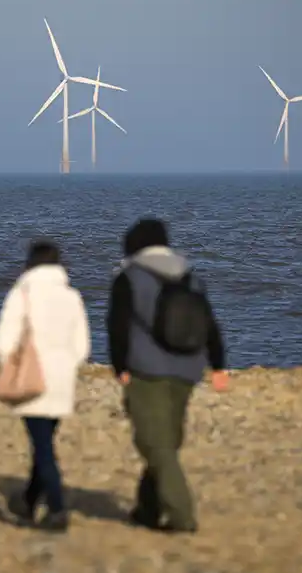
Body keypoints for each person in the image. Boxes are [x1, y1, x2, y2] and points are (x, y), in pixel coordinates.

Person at [106, 218, 228, 534]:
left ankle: (181, 515)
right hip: (188, 369)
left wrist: (120, 367)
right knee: (167, 441)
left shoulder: (128, 277)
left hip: (147, 370)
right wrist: (218, 365)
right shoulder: (190, 276)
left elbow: (117, 326)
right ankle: (148, 510)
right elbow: (209, 323)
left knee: (154, 443)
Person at [0, 240, 91, 533]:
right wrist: (67, 365)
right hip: (62, 379)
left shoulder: (23, 293)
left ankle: (57, 507)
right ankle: (28, 500)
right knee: (44, 441)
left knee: (43, 447)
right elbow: (82, 346)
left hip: (31, 378)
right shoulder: (71, 296)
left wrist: (11, 366)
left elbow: (3, 340)